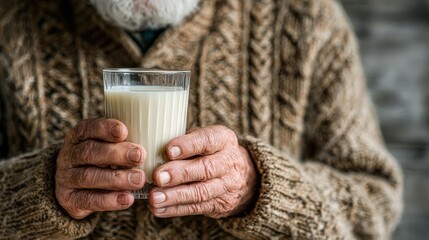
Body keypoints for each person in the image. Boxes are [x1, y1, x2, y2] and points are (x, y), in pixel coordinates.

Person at [0, 0, 403, 239]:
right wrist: (40, 190)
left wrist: (261, 189)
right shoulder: (11, 19)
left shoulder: (304, 18)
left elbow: (375, 206)